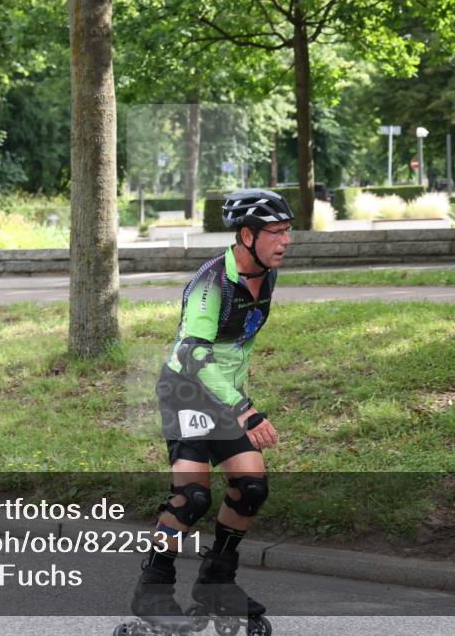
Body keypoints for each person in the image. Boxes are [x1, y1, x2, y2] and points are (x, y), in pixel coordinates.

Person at [131, 188, 293, 630]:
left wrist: (234, 400)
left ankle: (216, 582)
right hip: (186, 391)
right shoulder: (211, 282)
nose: (285, 241)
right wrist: (245, 409)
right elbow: (193, 354)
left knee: (251, 487)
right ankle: (153, 588)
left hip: (223, 396)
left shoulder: (267, 276)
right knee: (192, 497)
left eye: (287, 231)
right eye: (275, 233)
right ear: (247, 235)